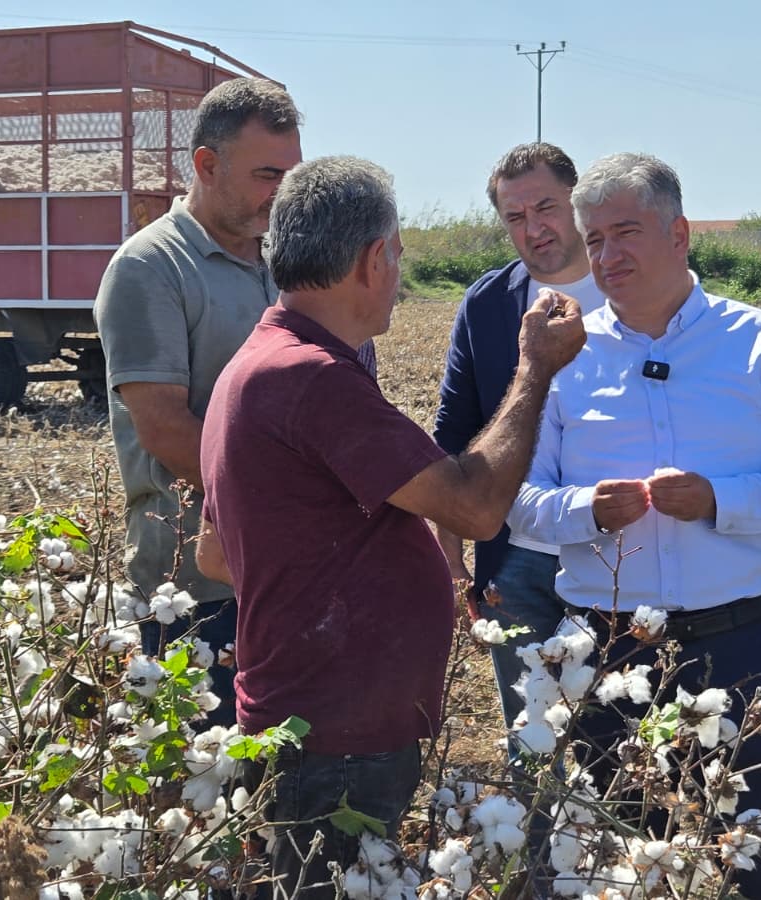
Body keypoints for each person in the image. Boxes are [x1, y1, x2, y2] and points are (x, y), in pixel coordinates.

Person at [195, 155, 585, 898]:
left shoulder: (257, 361)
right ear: (375, 259)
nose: (400, 273)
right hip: (337, 734)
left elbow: (219, 553)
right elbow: (473, 506)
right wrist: (535, 368)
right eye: (399, 253)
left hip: (305, 717)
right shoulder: (310, 378)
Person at [508, 153, 761, 899]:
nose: (607, 255)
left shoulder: (760, 341)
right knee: (625, 861)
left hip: (741, 645)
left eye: (625, 232)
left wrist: (720, 501)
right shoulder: (565, 358)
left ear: (680, 233)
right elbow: (519, 502)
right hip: (610, 652)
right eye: (593, 240)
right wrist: (585, 511)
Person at [92, 77, 303, 725]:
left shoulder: (282, 264)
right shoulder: (150, 268)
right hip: (190, 590)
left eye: (291, 176)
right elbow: (163, 427)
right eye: (269, 174)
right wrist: (280, 514)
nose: (283, 193)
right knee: (195, 779)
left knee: (271, 775)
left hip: (277, 574)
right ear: (206, 166)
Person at [433, 142, 607, 733]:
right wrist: (452, 555)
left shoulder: (633, 291)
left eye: (546, 207)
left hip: (622, 557)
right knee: (534, 739)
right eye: (515, 217)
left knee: (621, 734)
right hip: (515, 559)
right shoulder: (487, 303)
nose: (534, 229)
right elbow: (455, 431)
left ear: (578, 204)